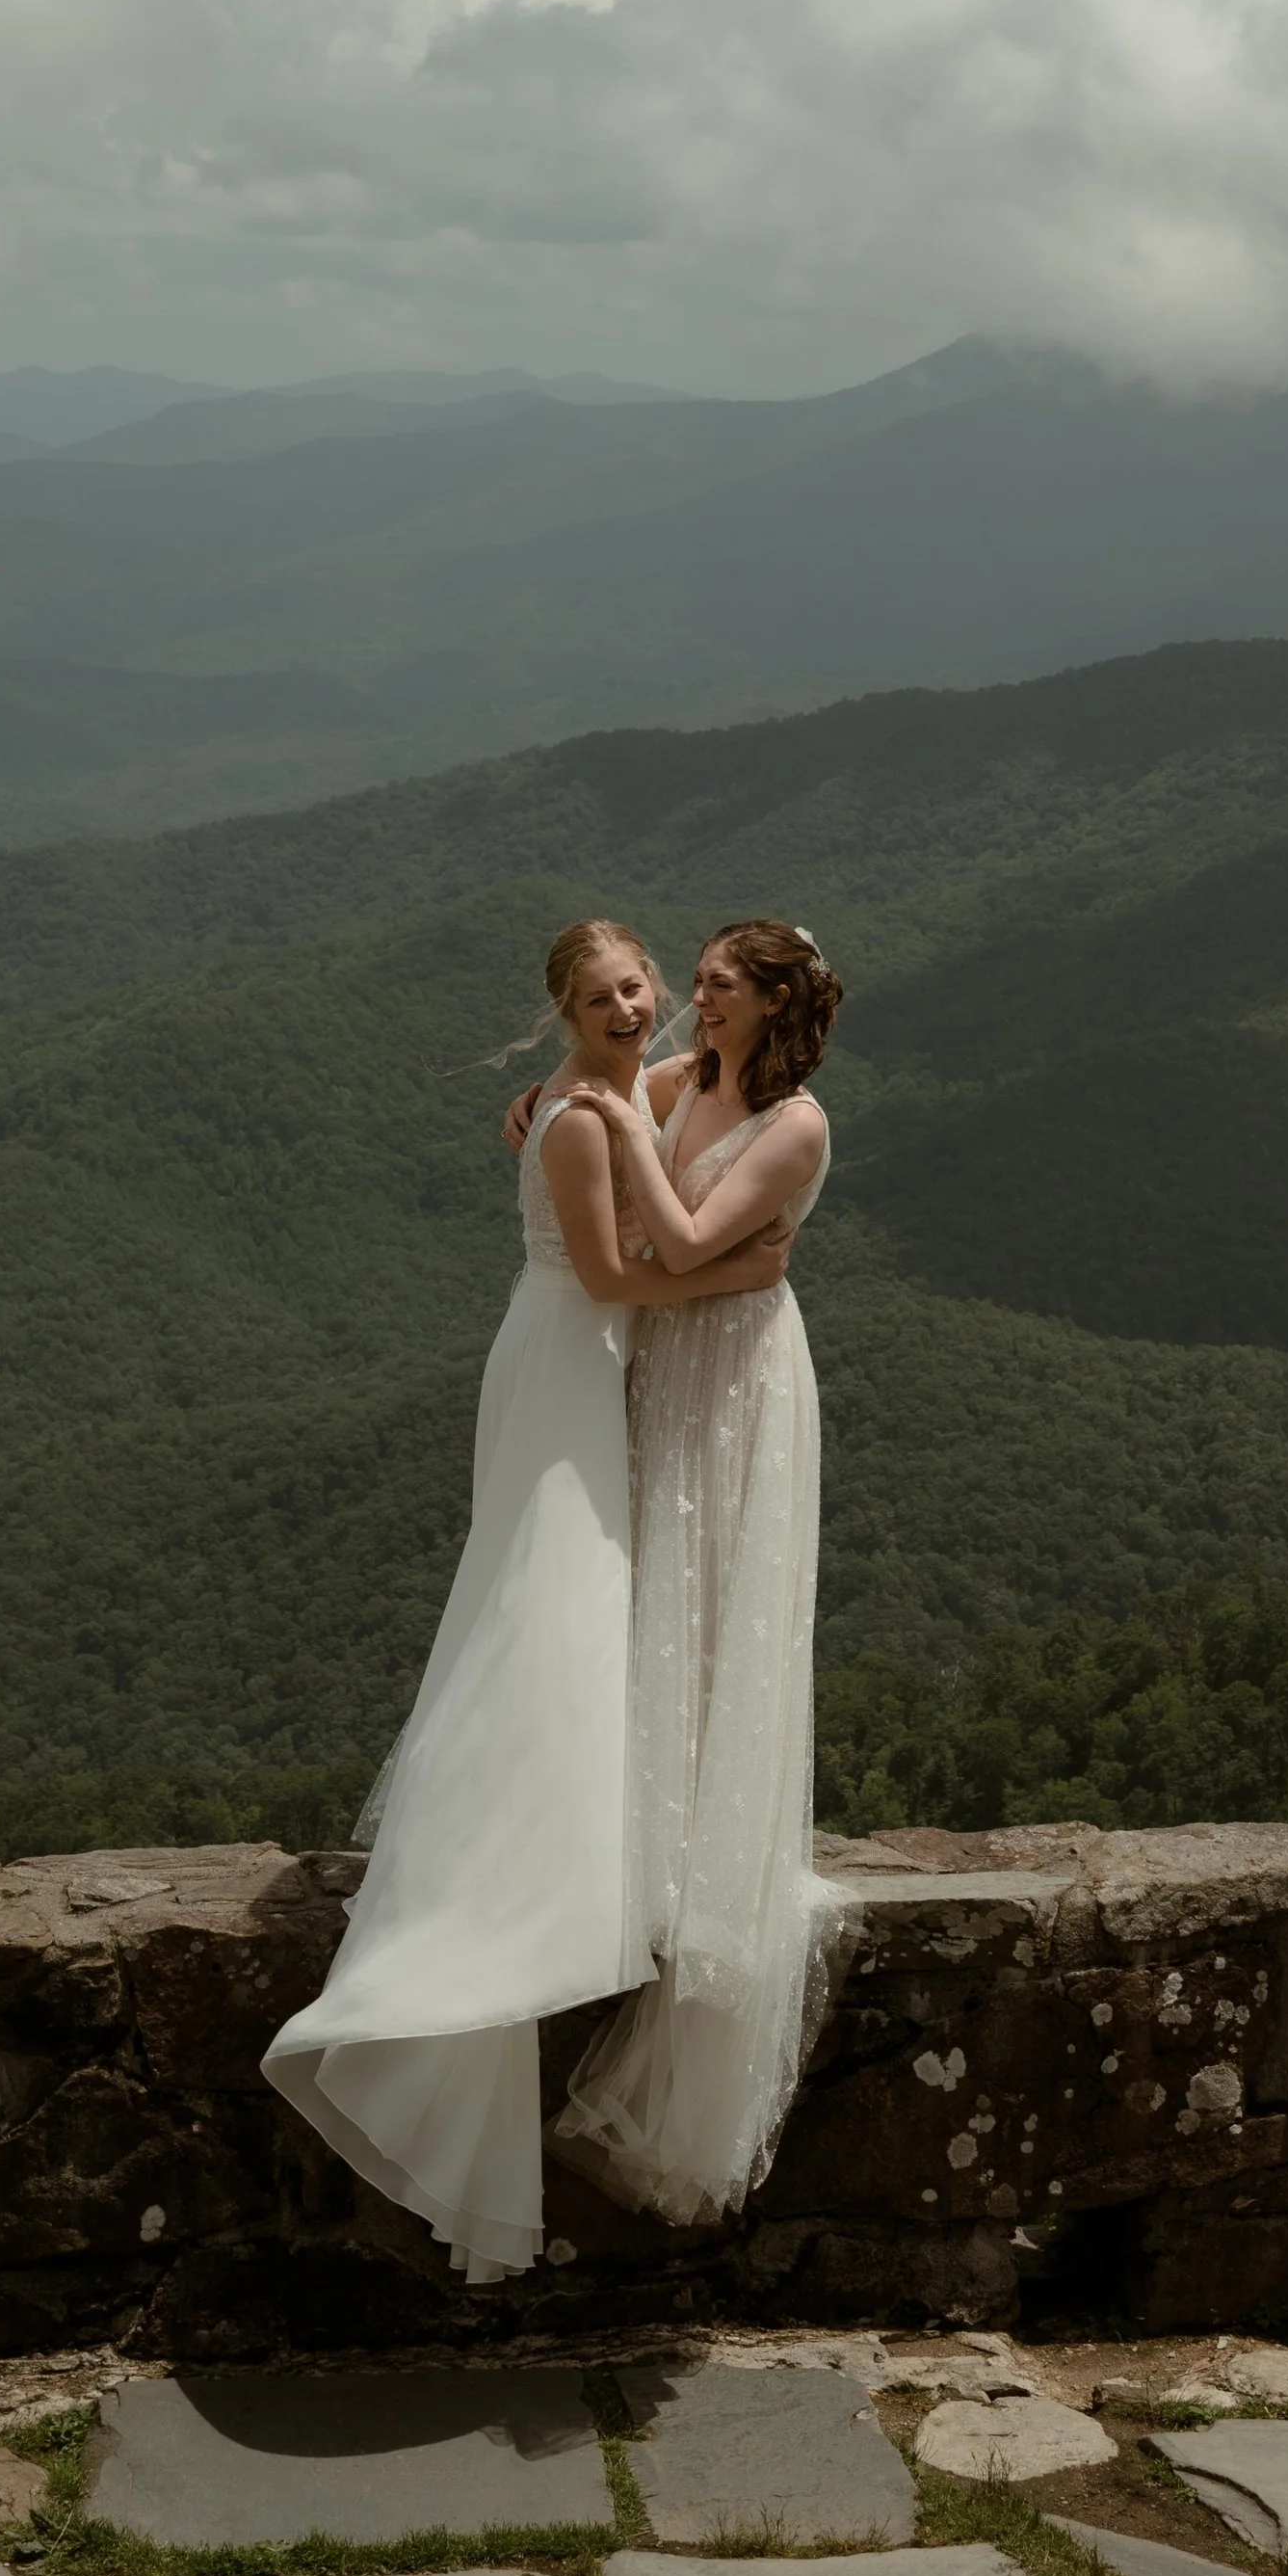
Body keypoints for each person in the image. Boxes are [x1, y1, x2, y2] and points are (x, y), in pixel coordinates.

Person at [260, 918, 795, 2281]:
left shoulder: (632, 1089)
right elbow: (619, 1275)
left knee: (569, 1608)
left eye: (641, 987)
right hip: (570, 1362)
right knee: (546, 1608)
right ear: (563, 1006)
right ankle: (508, 1886)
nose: (631, 1005)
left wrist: (589, 1105)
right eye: (603, 993)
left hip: (593, 1368)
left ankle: (579, 1850)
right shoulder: (581, 1115)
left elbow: (676, 1106)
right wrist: (740, 1270)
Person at [547, 919, 847, 2227]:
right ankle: (644, 1847)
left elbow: (670, 1241)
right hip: (671, 1365)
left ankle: (704, 1875)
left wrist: (614, 1133)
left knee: (717, 1605)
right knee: (650, 1597)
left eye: (718, 982)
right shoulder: (684, 1081)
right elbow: (589, 1116)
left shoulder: (798, 1126)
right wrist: (557, 1105)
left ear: (772, 1001)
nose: (692, 994)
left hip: (736, 1381)